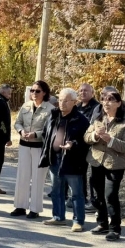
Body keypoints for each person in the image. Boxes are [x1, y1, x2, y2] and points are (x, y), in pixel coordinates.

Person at [85, 91, 125, 241]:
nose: (106, 103)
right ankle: (102, 224)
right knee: (98, 195)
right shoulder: (98, 118)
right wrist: (94, 135)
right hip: (96, 161)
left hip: (115, 164)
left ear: (119, 103)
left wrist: (110, 140)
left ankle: (115, 228)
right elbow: (86, 137)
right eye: (104, 100)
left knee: (110, 196)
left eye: (111, 100)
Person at [39, 88, 90, 231]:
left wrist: (73, 145)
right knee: (56, 190)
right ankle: (58, 217)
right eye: (60, 100)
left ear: (74, 102)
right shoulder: (54, 115)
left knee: (76, 193)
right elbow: (45, 133)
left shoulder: (81, 120)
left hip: (73, 161)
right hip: (54, 158)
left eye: (66, 100)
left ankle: (78, 221)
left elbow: (87, 142)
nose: (62, 103)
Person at [10, 81, 54, 219]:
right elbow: (18, 122)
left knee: (37, 178)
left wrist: (36, 134)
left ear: (44, 93)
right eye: (32, 91)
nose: (34, 93)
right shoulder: (25, 105)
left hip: (39, 147)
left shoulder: (50, 109)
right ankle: (20, 206)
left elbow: (49, 129)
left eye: (37, 91)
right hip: (24, 145)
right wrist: (21, 131)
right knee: (22, 176)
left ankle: (35, 209)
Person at [76, 83, 100, 210]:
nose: (83, 93)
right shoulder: (77, 106)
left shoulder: (96, 107)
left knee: (92, 175)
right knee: (80, 172)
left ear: (92, 93)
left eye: (86, 90)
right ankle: (81, 196)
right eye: (80, 90)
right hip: (78, 144)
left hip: (92, 144)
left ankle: (94, 200)